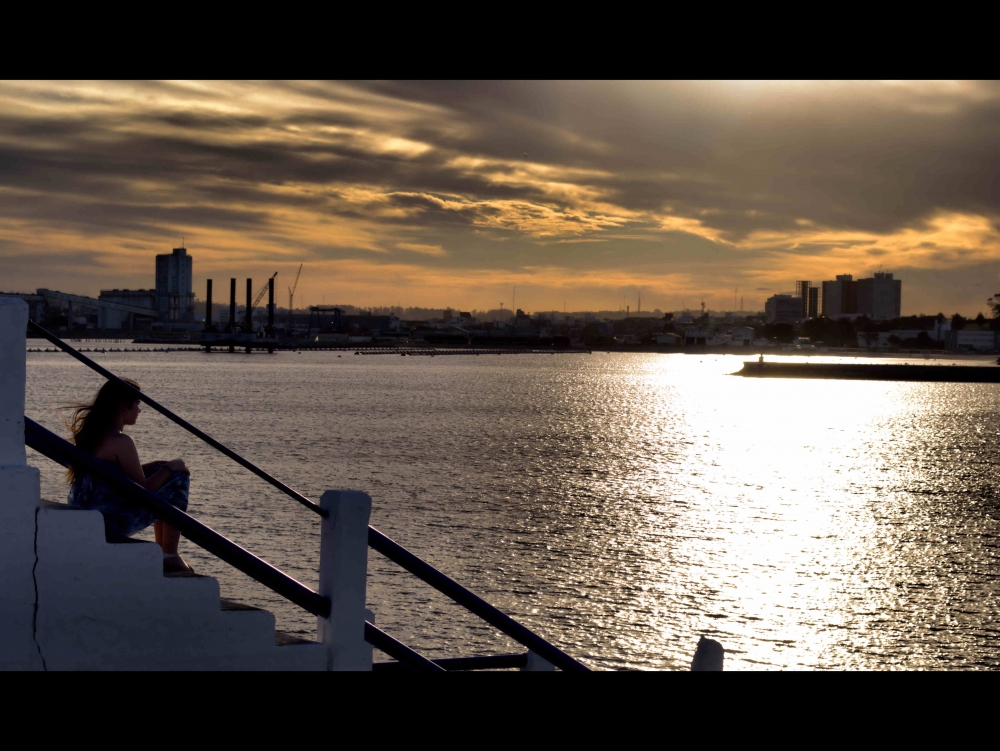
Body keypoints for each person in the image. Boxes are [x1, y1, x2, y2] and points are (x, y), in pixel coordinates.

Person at [63, 378, 194, 575]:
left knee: (163, 473)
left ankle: (164, 554)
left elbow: (111, 477)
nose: (140, 410)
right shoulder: (121, 440)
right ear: (125, 405)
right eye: (138, 403)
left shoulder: (93, 435)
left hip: (88, 513)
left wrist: (158, 468)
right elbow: (143, 491)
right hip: (109, 523)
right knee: (177, 478)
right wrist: (172, 467)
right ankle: (169, 555)